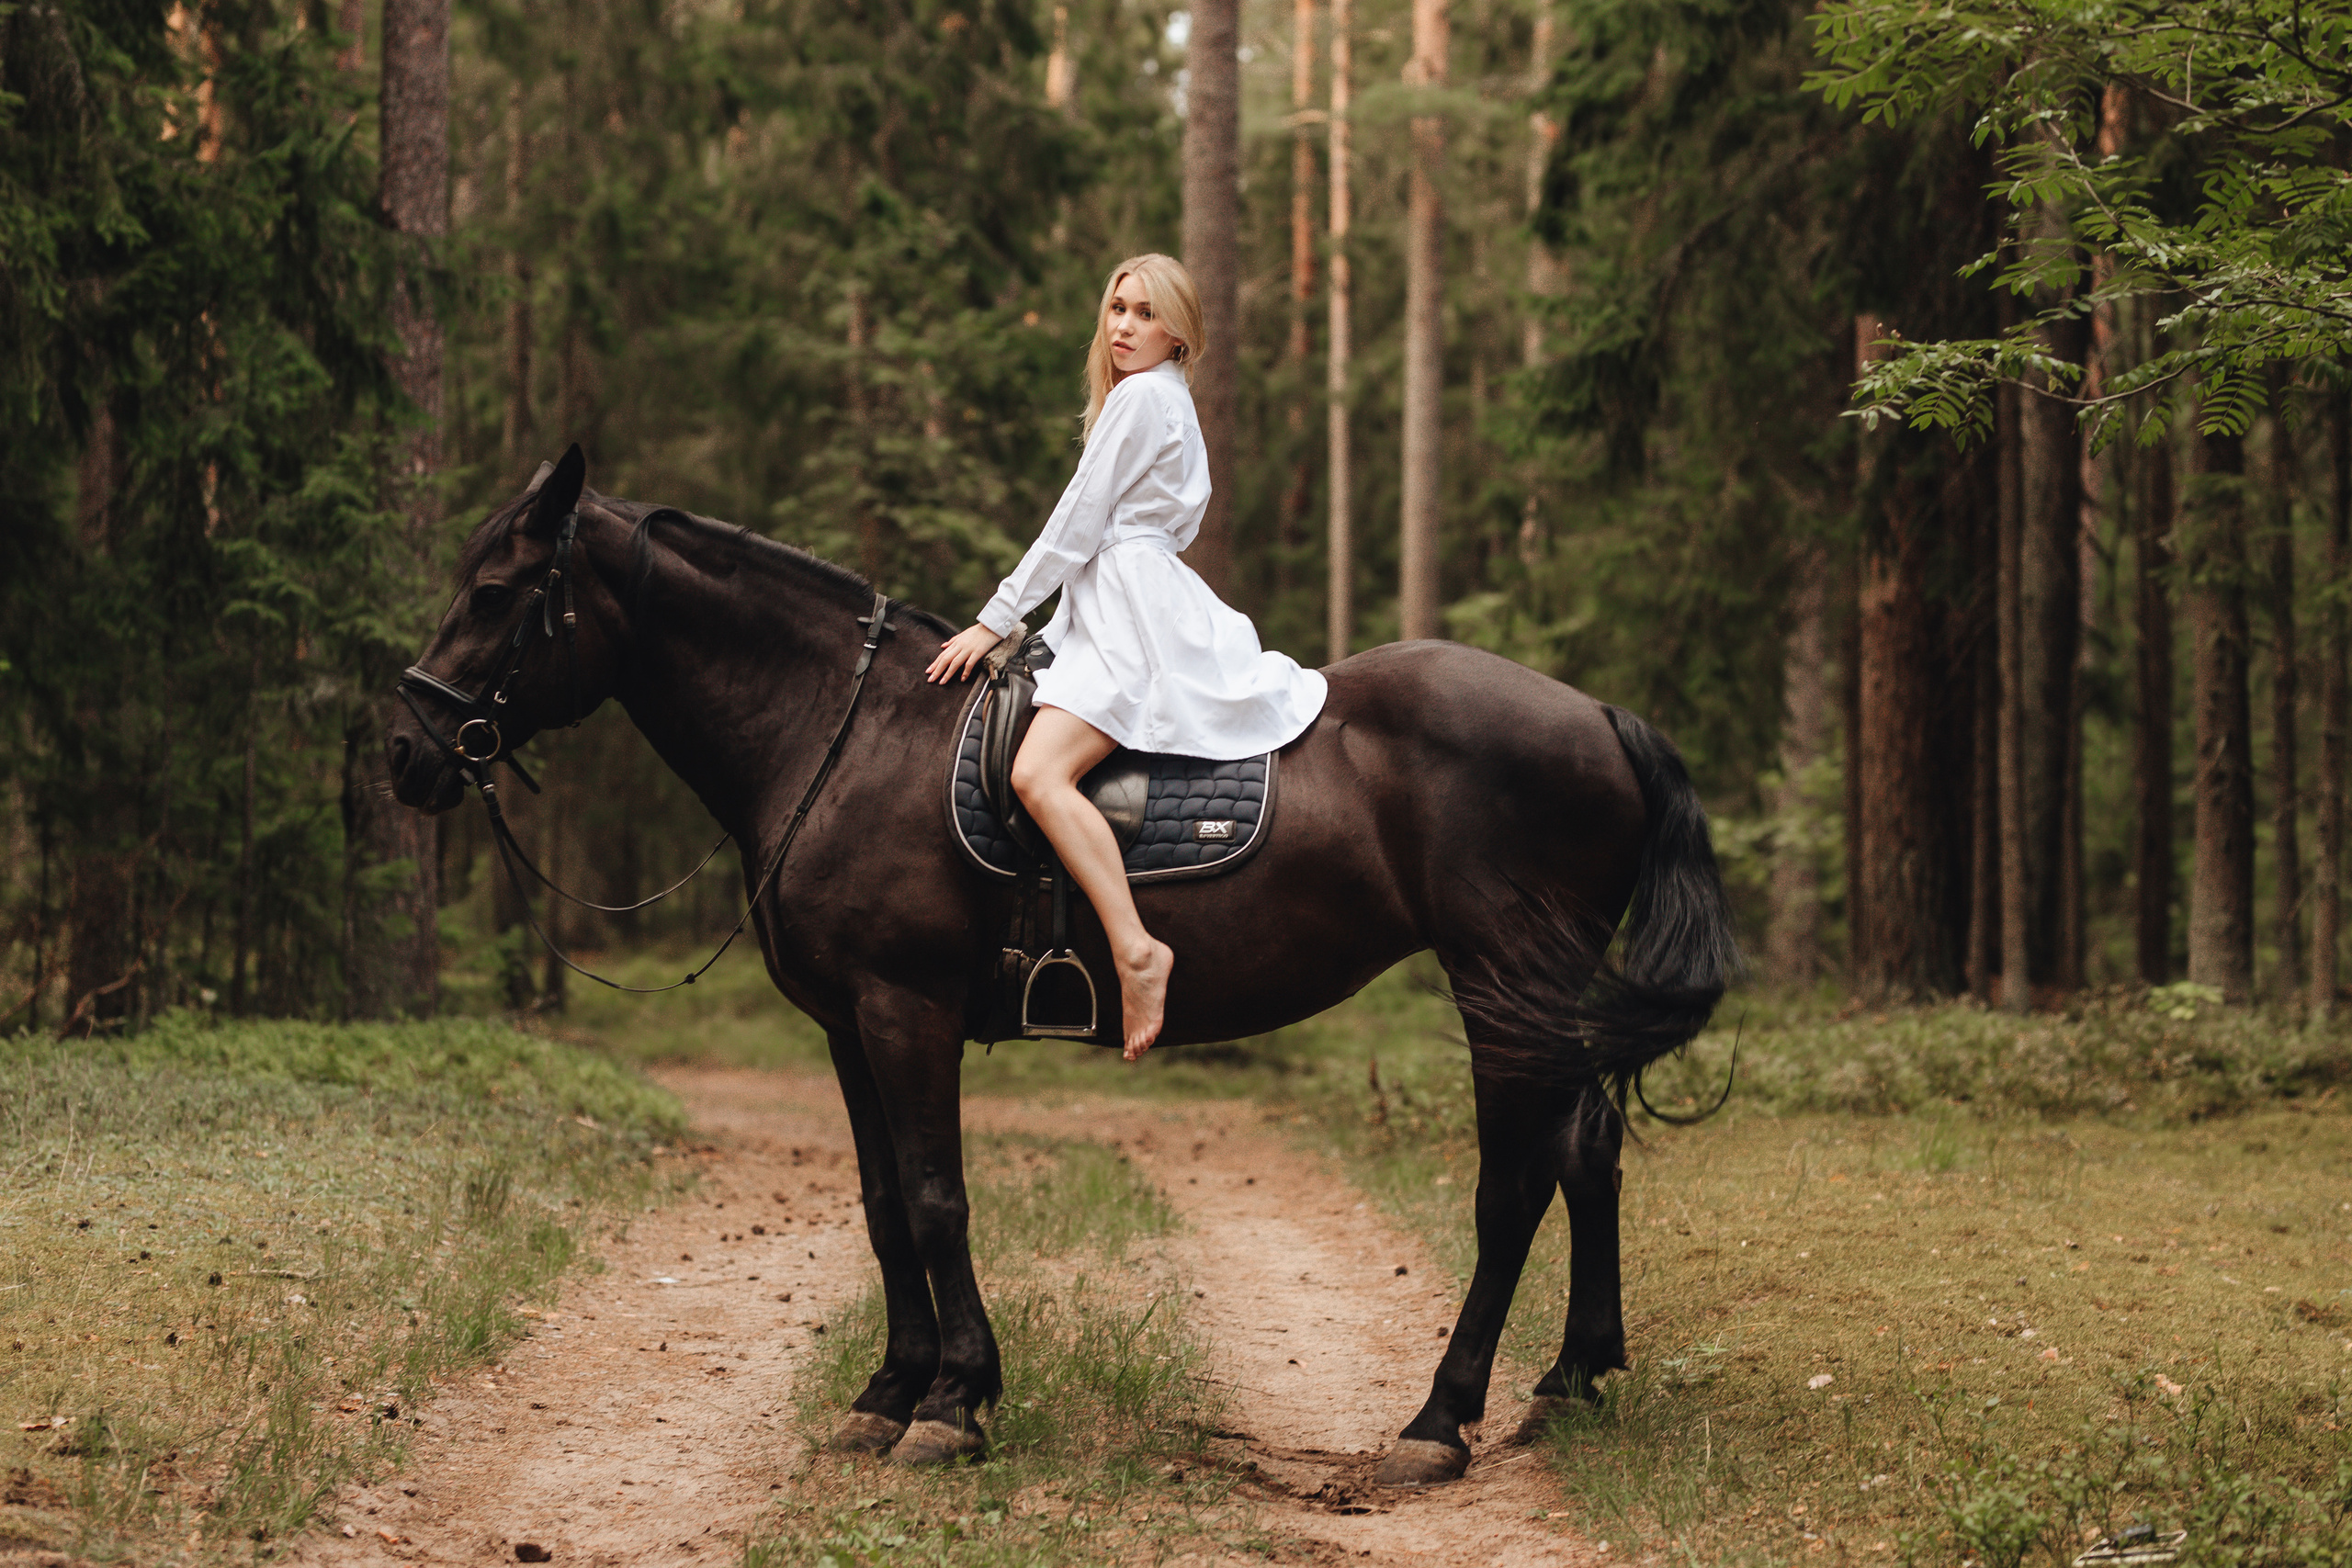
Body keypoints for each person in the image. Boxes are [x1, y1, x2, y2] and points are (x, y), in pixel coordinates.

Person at [924, 254, 1329, 1061]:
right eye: (1116, 308)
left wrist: (994, 620)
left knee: (1037, 774)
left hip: (1127, 612)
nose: (1123, 326)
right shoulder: (1166, 398)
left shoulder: (1143, 398)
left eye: (1144, 313)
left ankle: (1136, 948)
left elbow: (1076, 524)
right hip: (1130, 594)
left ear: (1178, 331)